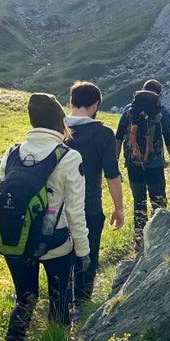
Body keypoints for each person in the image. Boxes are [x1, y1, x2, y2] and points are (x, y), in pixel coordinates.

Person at [0, 93, 90, 341]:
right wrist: (83, 252)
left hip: (16, 242)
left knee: (25, 297)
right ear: (61, 122)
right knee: (59, 297)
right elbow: (75, 211)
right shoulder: (69, 157)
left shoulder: (12, 153)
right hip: (56, 244)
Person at [64, 81, 125, 305]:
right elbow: (112, 174)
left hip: (56, 208)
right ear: (96, 104)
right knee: (87, 259)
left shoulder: (56, 130)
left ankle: (60, 313)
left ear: (71, 102)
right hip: (89, 208)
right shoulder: (103, 134)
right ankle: (81, 310)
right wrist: (118, 208)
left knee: (60, 262)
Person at [115, 78, 170, 251]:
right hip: (155, 164)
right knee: (158, 200)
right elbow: (169, 140)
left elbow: (119, 136)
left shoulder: (128, 111)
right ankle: (161, 236)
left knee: (139, 200)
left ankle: (139, 240)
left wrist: (116, 160)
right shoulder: (162, 113)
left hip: (133, 163)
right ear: (158, 95)